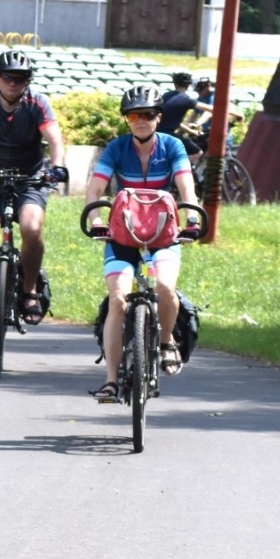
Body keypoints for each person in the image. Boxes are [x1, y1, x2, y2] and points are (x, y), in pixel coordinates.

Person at [85, 84, 201, 402]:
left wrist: (192, 220)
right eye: (134, 115)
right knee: (117, 299)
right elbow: (95, 190)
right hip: (122, 235)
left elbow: (186, 188)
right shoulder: (117, 148)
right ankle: (111, 380)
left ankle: (166, 341)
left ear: (158, 117)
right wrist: (96, 220)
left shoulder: (173, 146)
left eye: (147, 115)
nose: (141, 121)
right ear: (126, 119)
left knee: (164, 286)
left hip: (163, 235)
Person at [0, 49, 70, 325]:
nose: (13, 83)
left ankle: (29, 289)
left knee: (31, 227)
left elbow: (55, 140)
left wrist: (57, 167)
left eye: (20, 78)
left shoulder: (37, 102)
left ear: (28, 80)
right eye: (7, 77)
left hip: (30, 179)